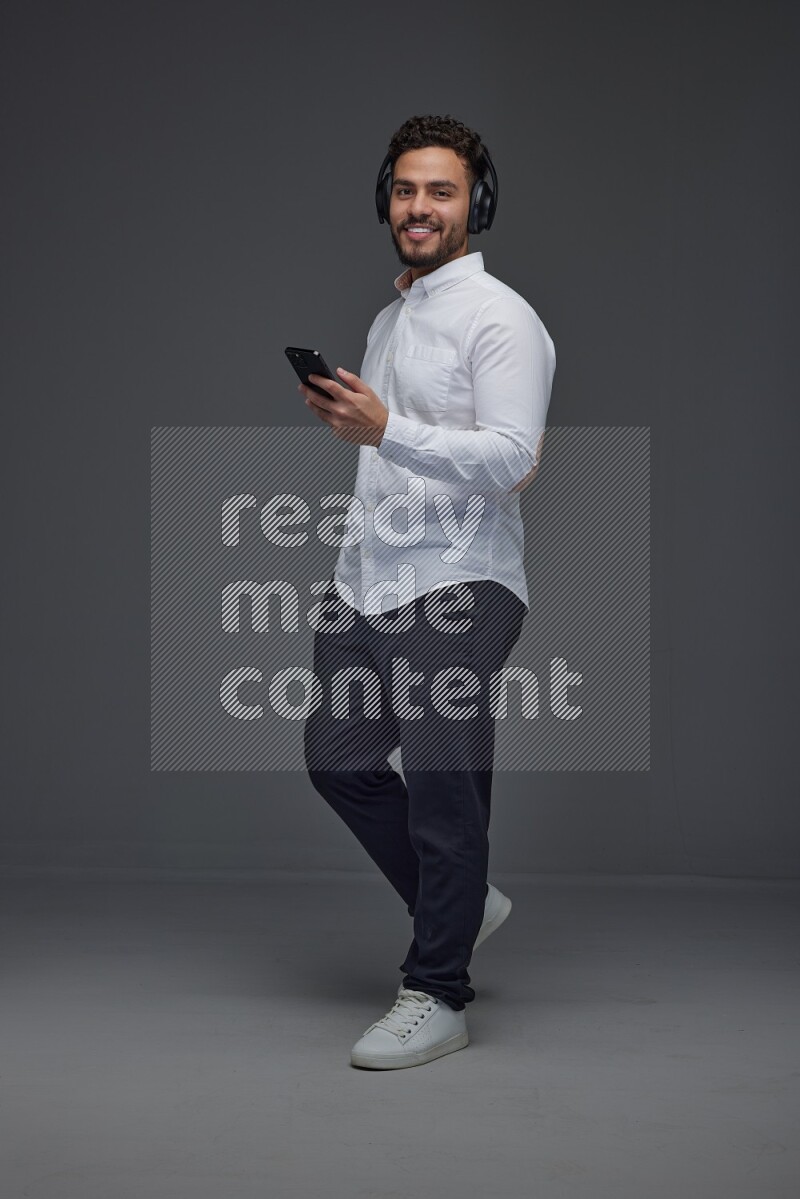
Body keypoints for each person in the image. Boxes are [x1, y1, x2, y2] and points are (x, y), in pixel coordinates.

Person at [297, 114, 556, 1069]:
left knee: (446, 787)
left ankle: (438, 990)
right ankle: (464, 901)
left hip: (460, 580)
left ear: (473, 205)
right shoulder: (392, 315)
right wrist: (362, 426)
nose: (419, 207)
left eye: (440, 191)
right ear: (386, 200)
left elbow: (515, 459)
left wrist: (387, 430)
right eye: (406, 190)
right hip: (369, 579)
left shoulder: (502, 319)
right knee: (338, 759)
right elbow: (389, 447)